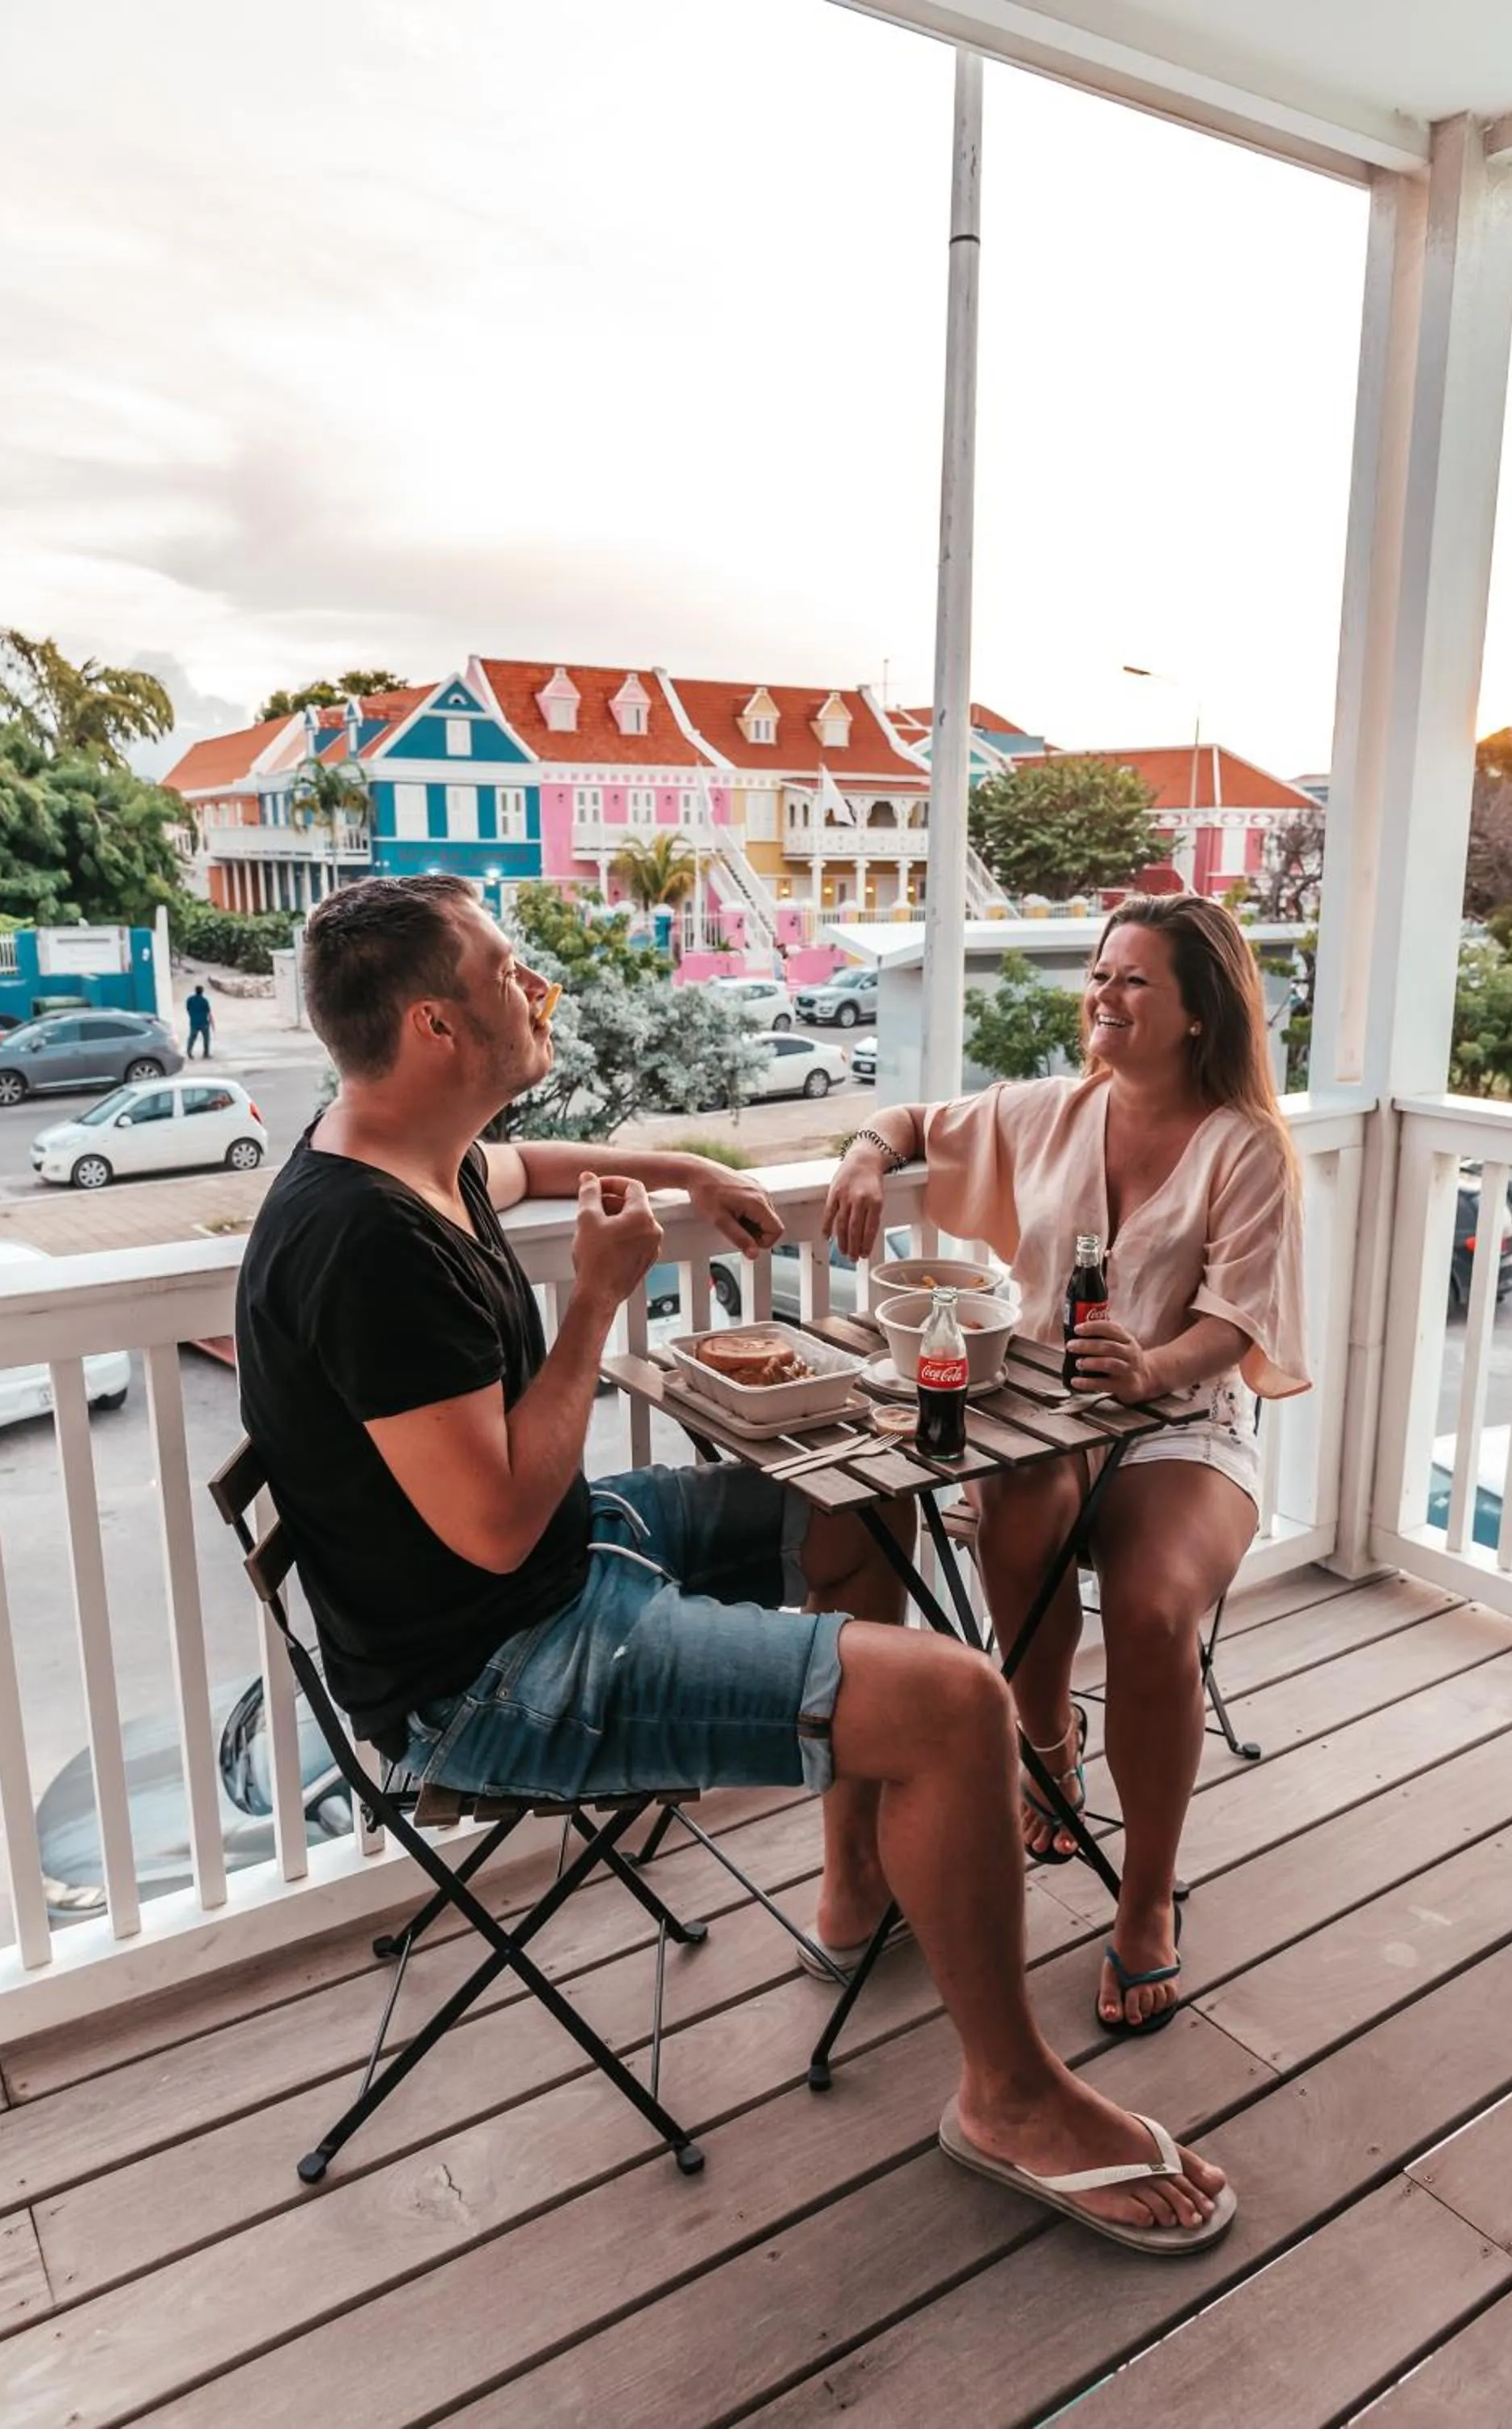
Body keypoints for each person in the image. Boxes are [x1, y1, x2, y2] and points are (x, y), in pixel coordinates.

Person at [235, 874, 1234, 2254]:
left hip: (543, 1579)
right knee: (958, 1705)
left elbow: (533, 1168)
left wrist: (687, 1173)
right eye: (510, 970)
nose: (539, 988)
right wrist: (591, 1304)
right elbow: (500, 1527)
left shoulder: (409, 1145)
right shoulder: (363, 1251)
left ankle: (856, 1878)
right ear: (434, 1028)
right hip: (496, 1671)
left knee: (842, 1516)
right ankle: (1011, 2096)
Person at [825, 892, 1308, 2037]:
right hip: (1040, 1411)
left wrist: (1149, 1367)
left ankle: (1143, 1900)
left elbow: (1234, 1327)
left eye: (1134, 980)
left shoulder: (1247, 1150)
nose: (1102, 995)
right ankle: (1047, 1749)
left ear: (1198, 1013)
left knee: (1145, 1612)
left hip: (1179, 1423)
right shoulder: (1050, 1111)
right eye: (1098, 974)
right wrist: (856, 1159)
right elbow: (906, 1123)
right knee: (1013, 1505)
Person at [185, 984, 214, 1058]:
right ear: (202, 992)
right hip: (204, 1022)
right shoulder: (204, 1001)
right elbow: (208, 1013)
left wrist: (192, 1016)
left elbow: (187, 1009)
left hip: (194, 1022)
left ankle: (189, 1052)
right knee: (206, 1039)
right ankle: (206, 1053)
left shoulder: (190, 999)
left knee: (192, 1038)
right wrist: (212, 1023)